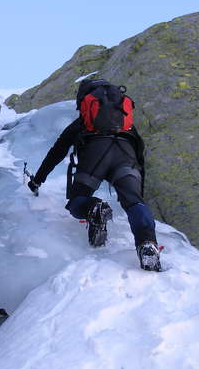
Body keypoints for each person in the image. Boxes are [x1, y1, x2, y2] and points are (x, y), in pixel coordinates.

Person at [26, 79, 161, 271]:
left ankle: (94, 209)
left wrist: (37, 180)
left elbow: (57, 151)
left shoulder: (82, 122)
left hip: (95, 156)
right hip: (126, 155)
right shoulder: (126, 123)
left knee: (77, 201)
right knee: (134, 202)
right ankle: (147, 243)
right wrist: (139, 192)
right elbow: (140, 152)